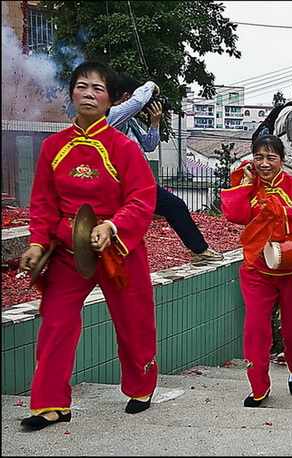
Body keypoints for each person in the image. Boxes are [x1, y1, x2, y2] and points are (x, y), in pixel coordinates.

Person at [18, 61, 158, 430]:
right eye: (82, 86)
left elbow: (142, 199)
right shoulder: (53, 146)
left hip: (118, 250)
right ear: (72, 94)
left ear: (111, 99)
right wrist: (37, 241)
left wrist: (113, 225)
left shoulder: (123, 147)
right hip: (67, 250)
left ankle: (140, 386)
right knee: (56, 323)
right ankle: (50, 403)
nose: (89, 94)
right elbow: (44, 201)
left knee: (134, 322)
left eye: (98, 88)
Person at [220, 135, 292, 407]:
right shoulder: (248, 186)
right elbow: (234, 214)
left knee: (291, 328)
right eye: (259, 157)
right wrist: (244, 183)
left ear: (281, 160)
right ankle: (258, 387)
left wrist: (283, 213)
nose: (264, 164)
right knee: (255, 326)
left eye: (271, 158)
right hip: (257, 267)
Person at [107, 75, 223, 264]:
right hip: (117, 185)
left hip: (138, 183)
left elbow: (149, 145)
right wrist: (151, 85)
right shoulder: (111, 116)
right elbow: (138, 101)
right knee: (119, 227)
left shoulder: (130, 122)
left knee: (174, 206)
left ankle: (199, 250)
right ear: (127, 96)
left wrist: (155, 122)